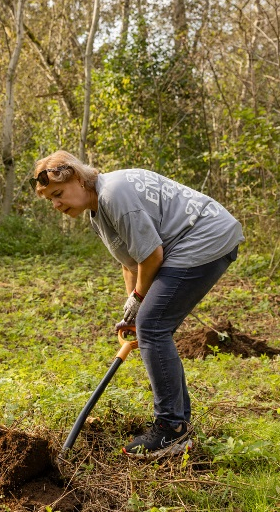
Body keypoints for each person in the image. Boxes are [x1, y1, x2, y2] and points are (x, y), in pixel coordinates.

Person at [30, 150, 244, 459]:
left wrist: (141, 303)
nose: (57, 204)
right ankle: (178, 424)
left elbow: (152, 255)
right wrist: (133, 307)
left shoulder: (113, 194)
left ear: (78, 178)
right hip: (191, 243)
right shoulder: (98, 210)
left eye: (59, 194)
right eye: (51, 199)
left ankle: (171, 431)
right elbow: (130, 262)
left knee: (153, 326)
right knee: (150, 323)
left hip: (204, 237)